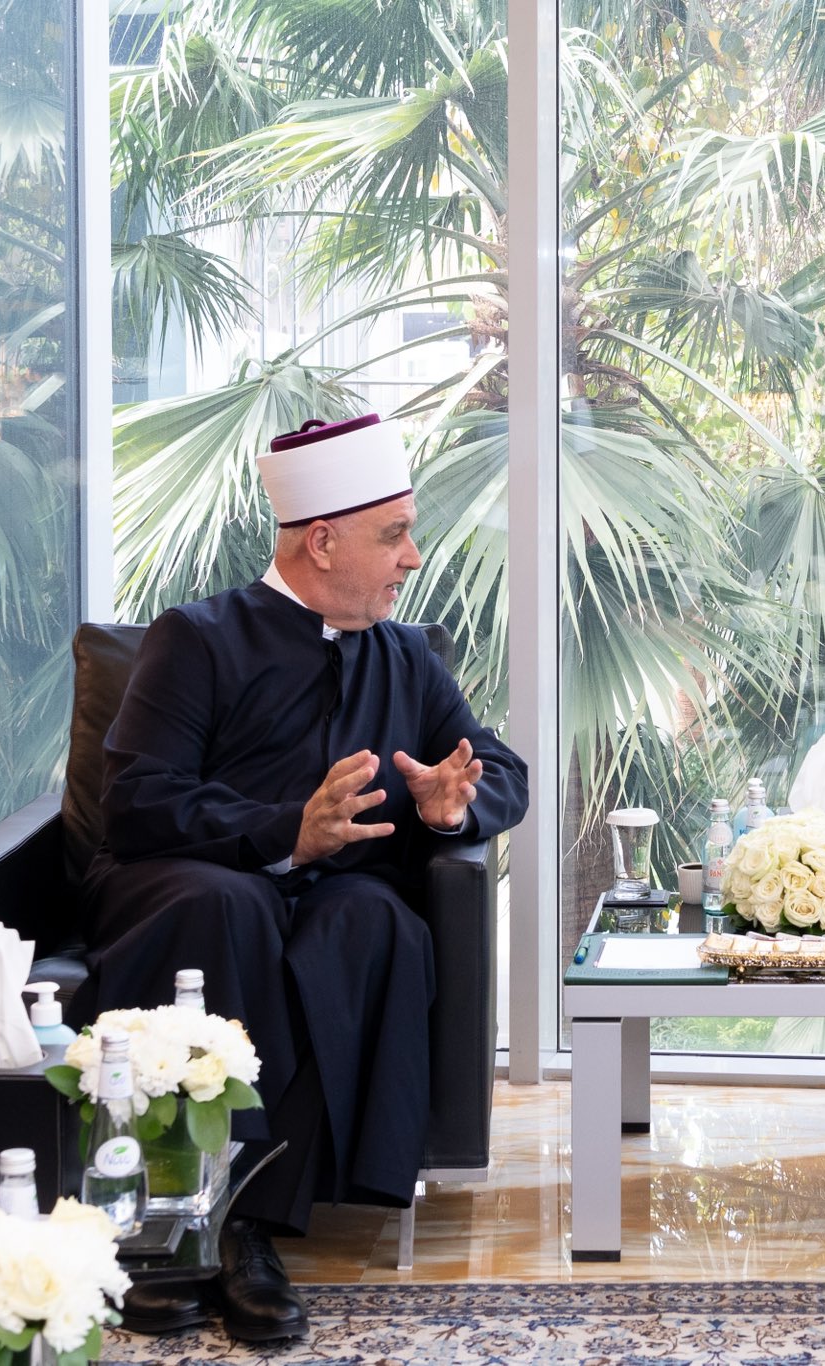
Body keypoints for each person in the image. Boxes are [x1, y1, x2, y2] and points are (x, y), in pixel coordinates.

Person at [74, 414, 528, 1341]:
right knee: (231, 902)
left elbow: (499, 769)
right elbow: (137, 800)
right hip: (188, 880)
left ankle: (253, 1221)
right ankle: (198, 1231)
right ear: (321, 541)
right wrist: (289, 832)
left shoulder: (406, 655)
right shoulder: (196, 638)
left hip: (334, 894)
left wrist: (451, 806)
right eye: (393, 534)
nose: (412, 557)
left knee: (374, 921)